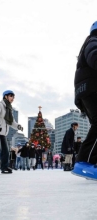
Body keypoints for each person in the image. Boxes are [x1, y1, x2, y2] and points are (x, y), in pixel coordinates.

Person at [72, 21, 97, 180]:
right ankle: (85, 161)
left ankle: (89, 161)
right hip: (90, 89)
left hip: (88, 90)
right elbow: (95, 56)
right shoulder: (93, 41)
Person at [0, 90, 23, 174]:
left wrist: (18, 126)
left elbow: (11, 122)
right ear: (5, 96)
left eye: (13, 97)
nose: (12, 98)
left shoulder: (9, 109)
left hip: (3, 133)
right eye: (11, 96)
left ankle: (4, 167)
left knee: (6, 150)